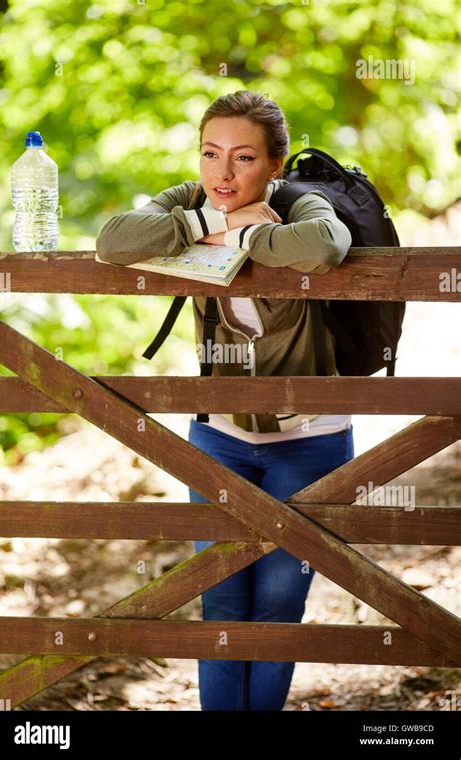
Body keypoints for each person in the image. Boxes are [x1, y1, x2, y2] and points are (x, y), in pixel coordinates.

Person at [96, 89, 354, 711]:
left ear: (274, 165)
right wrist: (211, 223)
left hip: (309, 438)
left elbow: (323, 246)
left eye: (243, 158)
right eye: (212, 154)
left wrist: (243, 241)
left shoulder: (299, 202)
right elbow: (113, 241)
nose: (223, 173)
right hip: (219, 438)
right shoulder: (193, 201)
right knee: (220, 600)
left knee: (276, 608)